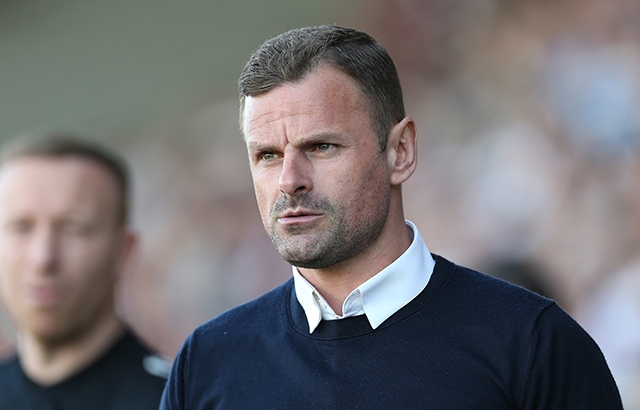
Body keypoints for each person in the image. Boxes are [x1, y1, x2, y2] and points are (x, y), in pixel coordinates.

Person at [161, 25, 622, 409]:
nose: (289, 180)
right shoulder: (205, 364)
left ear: (400, 151)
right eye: (266, 155)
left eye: (321, 147)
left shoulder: (532, 343)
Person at [0, 134, 168, 409]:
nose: (43, 257)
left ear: (123, 251)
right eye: (21, 227)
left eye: (73, 228)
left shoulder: (176, 400)